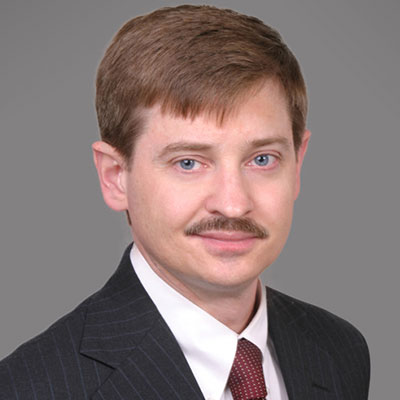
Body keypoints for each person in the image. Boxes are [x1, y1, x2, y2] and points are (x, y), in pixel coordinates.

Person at [0, 5, 370, 400]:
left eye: (262, 159)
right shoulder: (30, 388)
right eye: (188, 163)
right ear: (115, 176)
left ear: (297, 165)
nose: (233, 204)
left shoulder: (339, 350)